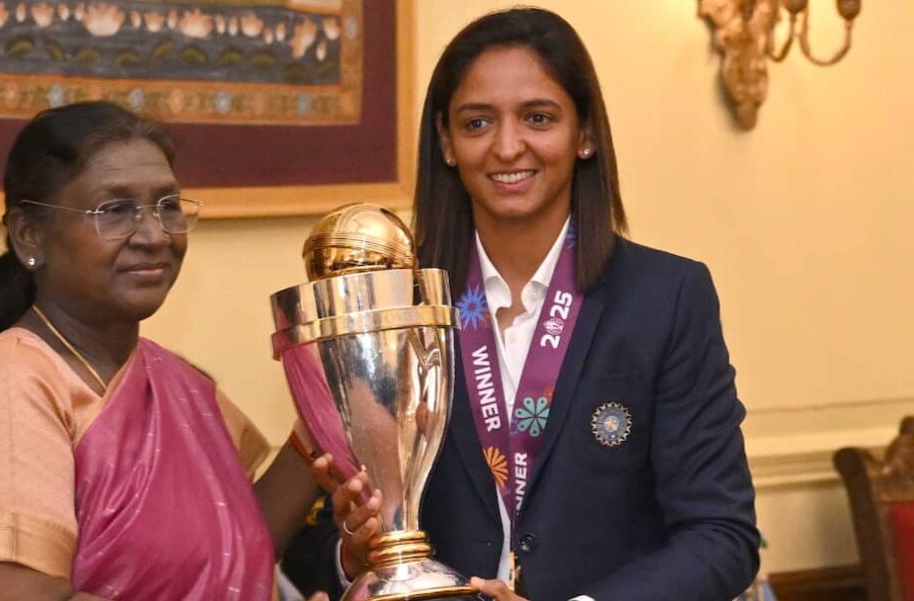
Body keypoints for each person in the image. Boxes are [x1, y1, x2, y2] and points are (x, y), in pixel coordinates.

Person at [283, 8, 760, 600]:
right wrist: (355, 554)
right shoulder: (393, 309)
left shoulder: (666, 298)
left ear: (584, 134)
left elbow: (721, 534)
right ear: (447, 142)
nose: (508, 147)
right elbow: (315, 540)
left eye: (538, 118)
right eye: (478, 122)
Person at [0, 101, 325, 601]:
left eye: (168, 205)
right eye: (114, 210)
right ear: (30, 234)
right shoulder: (11, 379)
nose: (155, 234)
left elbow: (231, 550)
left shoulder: (178, 381)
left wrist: (324, 421)